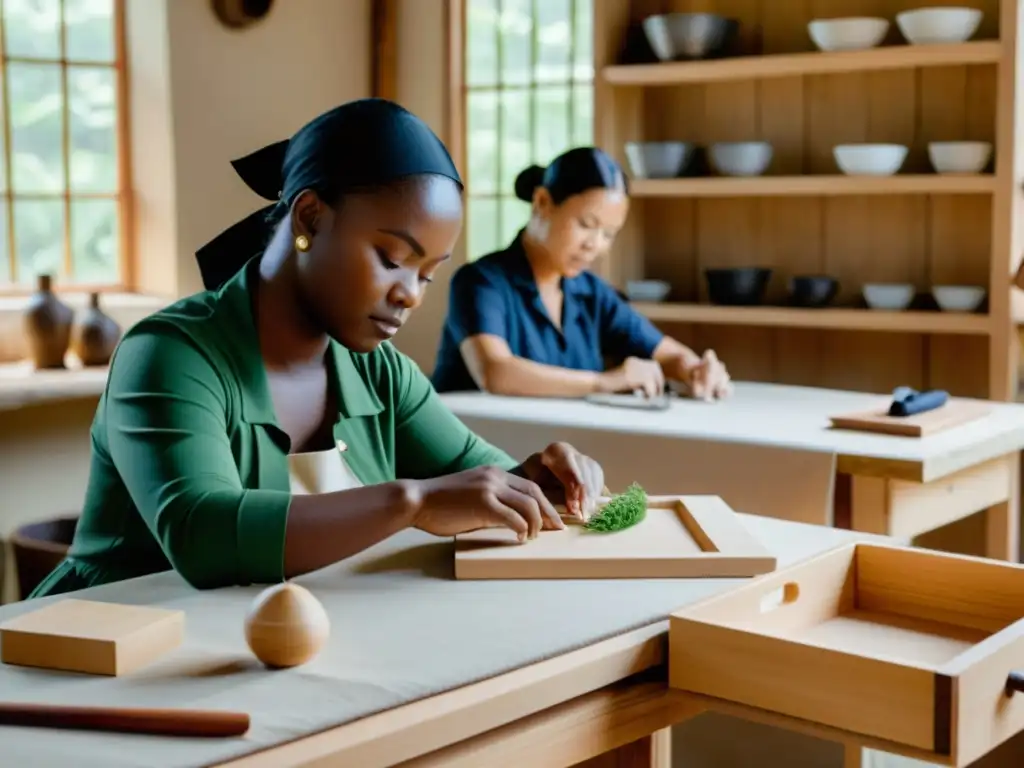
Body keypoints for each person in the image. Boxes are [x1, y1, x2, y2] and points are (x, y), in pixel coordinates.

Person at [29, 99, 607, 598]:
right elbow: (201, 533)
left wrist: (537, 480)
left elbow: (476, 480)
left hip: (252, 663)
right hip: (86, 671)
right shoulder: (170, 356)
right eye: (391, 259)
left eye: (427, 273)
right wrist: (412, 504)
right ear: (309, 217)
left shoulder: (378, 373)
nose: (409, 295)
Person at [431, 146, 732, 401]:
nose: (595, 245)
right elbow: (495, 372)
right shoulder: (481, 282)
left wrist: (694, 368)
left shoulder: (591, 292)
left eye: (609, 234)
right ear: (543, 203)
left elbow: (666, 354)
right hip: (472, 459)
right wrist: (604, 382)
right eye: (586, 225)